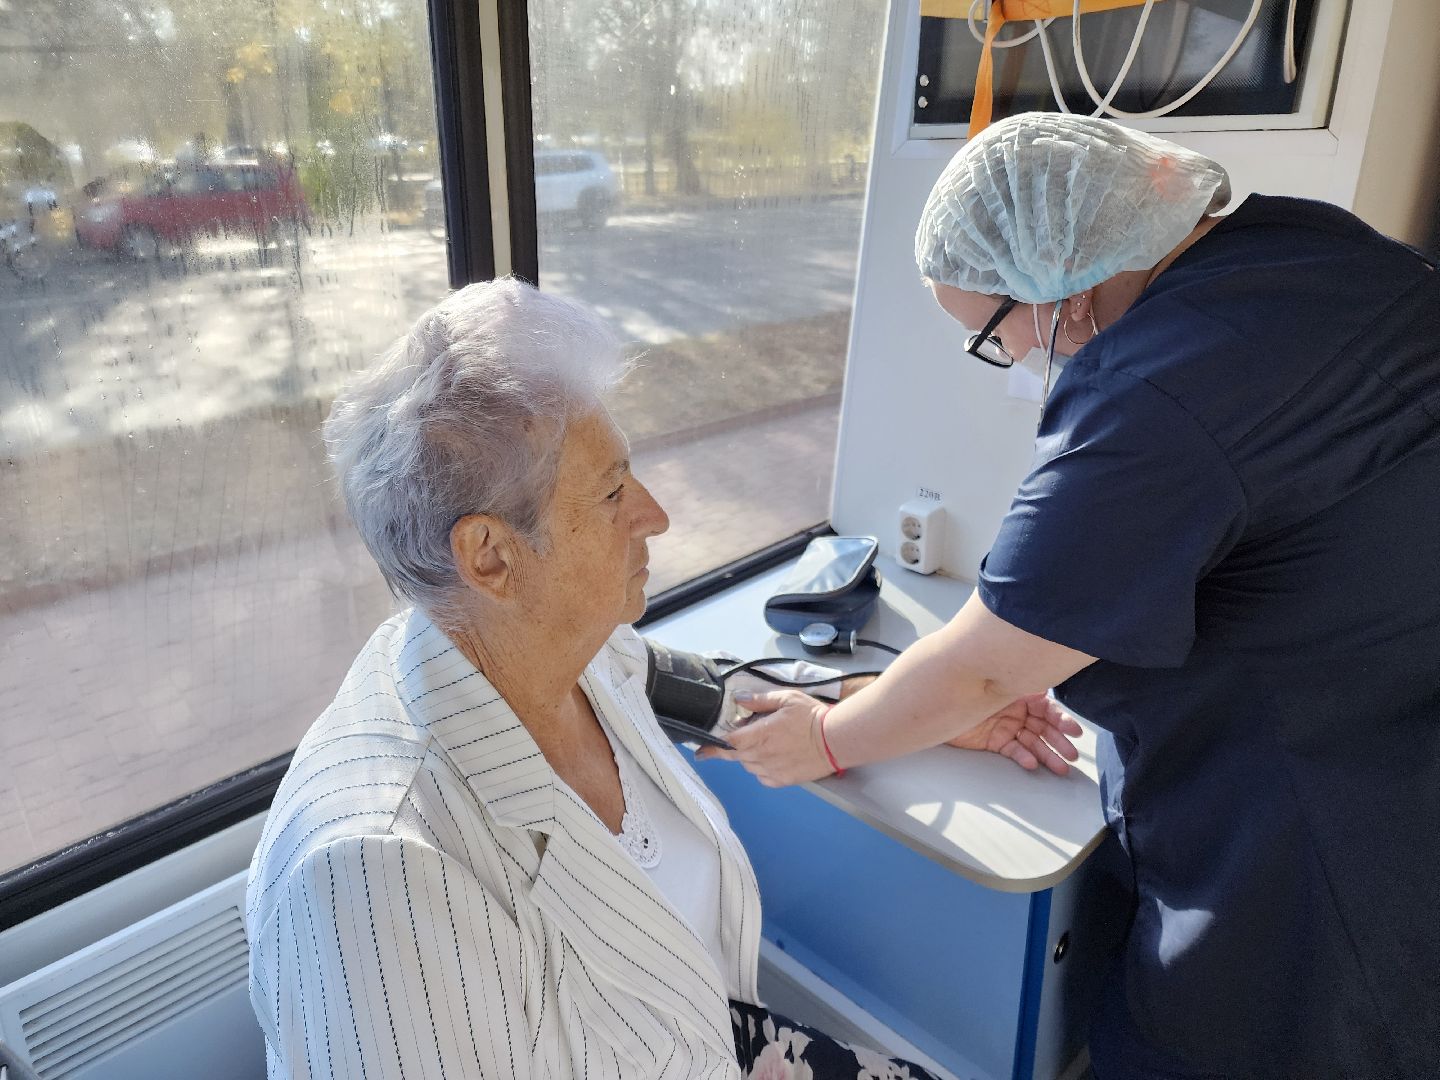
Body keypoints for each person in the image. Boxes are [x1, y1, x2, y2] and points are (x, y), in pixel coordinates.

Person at [699, 113, 1440, 1079]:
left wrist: (825, 737)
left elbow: (978, 670)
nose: (1015, 359)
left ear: (1061, 285)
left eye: (994, 336)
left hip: (1303, 857)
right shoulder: (1316, 249)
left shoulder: (1156, 395)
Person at [245, 278, 983, 1079]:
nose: (655, 514)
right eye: (610, 493)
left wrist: (904, 703)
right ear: (490, 555)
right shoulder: (374, 883)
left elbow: (714, 690)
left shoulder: (571, 655)